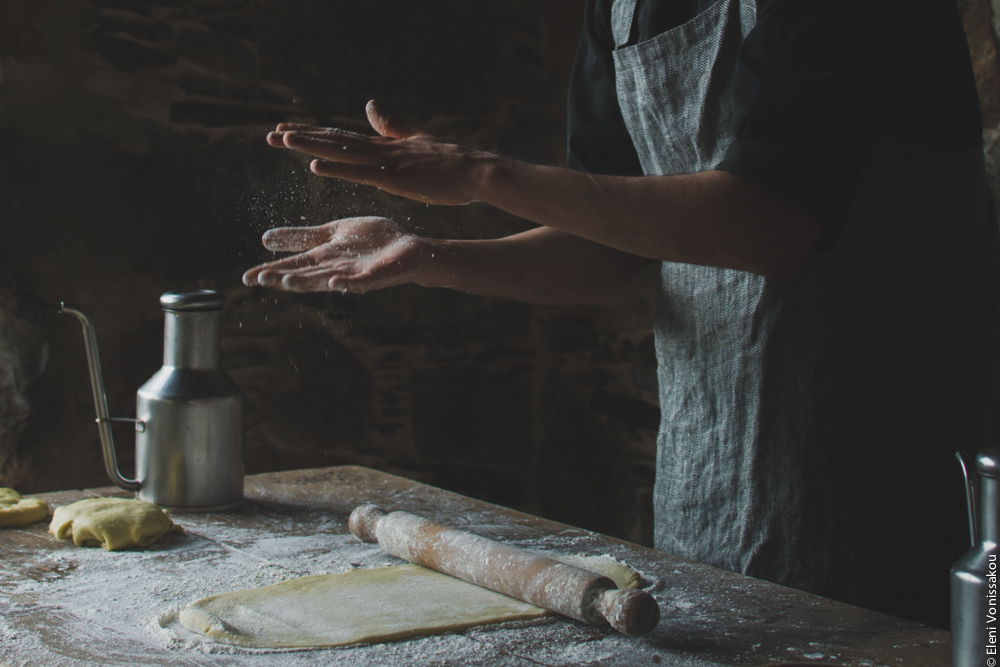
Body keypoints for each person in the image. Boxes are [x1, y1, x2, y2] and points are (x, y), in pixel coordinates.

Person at [243, 0, 1000, 627]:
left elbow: (769, 222)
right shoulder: (622, 10)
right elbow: (605, 254)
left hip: (884, 474)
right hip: (709, 477)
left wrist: (483, 174)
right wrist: (427, 256)